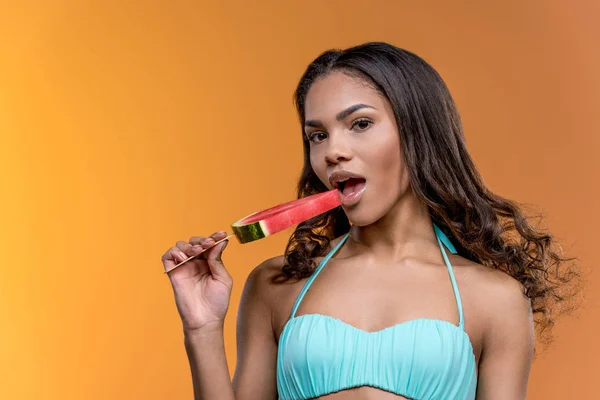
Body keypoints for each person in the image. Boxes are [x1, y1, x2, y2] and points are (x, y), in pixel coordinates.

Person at [162, 42, 579, 399]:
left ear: (418, 133)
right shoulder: (277, 286)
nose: (333, 152)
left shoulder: (495, 299)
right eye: (317, 135)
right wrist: (201, 328)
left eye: (360, 124)